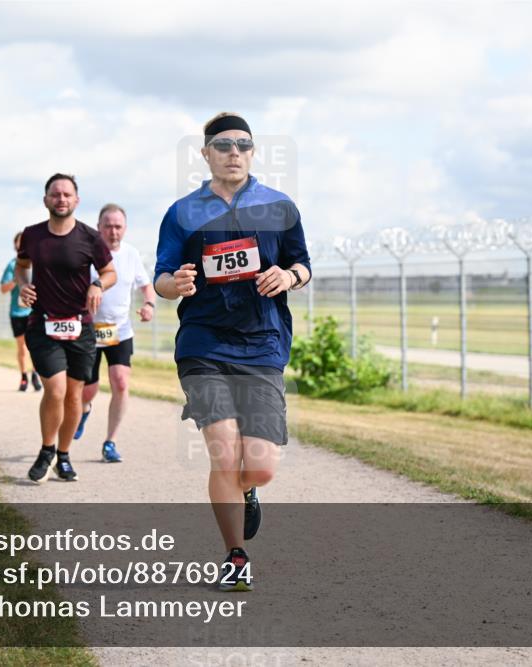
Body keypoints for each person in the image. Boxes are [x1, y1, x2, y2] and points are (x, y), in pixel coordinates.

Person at [154, 112, 311, 592]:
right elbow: (161, 278)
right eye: (223, 145)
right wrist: (174, 284)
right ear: (205, 154)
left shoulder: (279, 206)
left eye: (243, 144)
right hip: (203, 344)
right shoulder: (183, 212)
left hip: (262, 345)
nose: (234, 152)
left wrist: (287, 277)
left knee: (258, 465)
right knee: (224, 455)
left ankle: (249, 492)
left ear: (253, 152)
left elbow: (302, 264)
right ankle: (236, 555)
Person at [16, 173, 116, 483]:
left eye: (67, 194)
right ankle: (47, 450)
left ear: (76, 200)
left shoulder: (90, 237)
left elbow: (109, 272)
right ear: (46, 199)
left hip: (80, 326)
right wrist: (23, 285)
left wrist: (98, 285)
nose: (61, 199)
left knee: (74, 397)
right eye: (55, 194)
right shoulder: (32, 235)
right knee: (55, 390)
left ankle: (63, 455)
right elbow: (22, 266)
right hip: (43, 325)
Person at [73, 203, 155, 463]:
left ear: (125, 229)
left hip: (120, 330)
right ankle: (84, 410)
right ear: (99, 228)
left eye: (118, 226)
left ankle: (110, 442)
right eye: (108, 226)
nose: (113, 231)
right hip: (89, 330)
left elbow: (146, 286)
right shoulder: (87, 253)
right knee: (88, 390)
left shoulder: (131, 254)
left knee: (120, 381)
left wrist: (149, 305)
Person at [0, 232, 41, 392]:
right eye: (19, 242)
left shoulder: (38, 263)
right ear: (15, 245)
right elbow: (3, 288)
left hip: (35, 312)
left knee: (36, 346)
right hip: (17, 312)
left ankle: (35, 375)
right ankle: (24, 376)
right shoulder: (12, 265)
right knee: (22, 347)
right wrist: (17, 280)